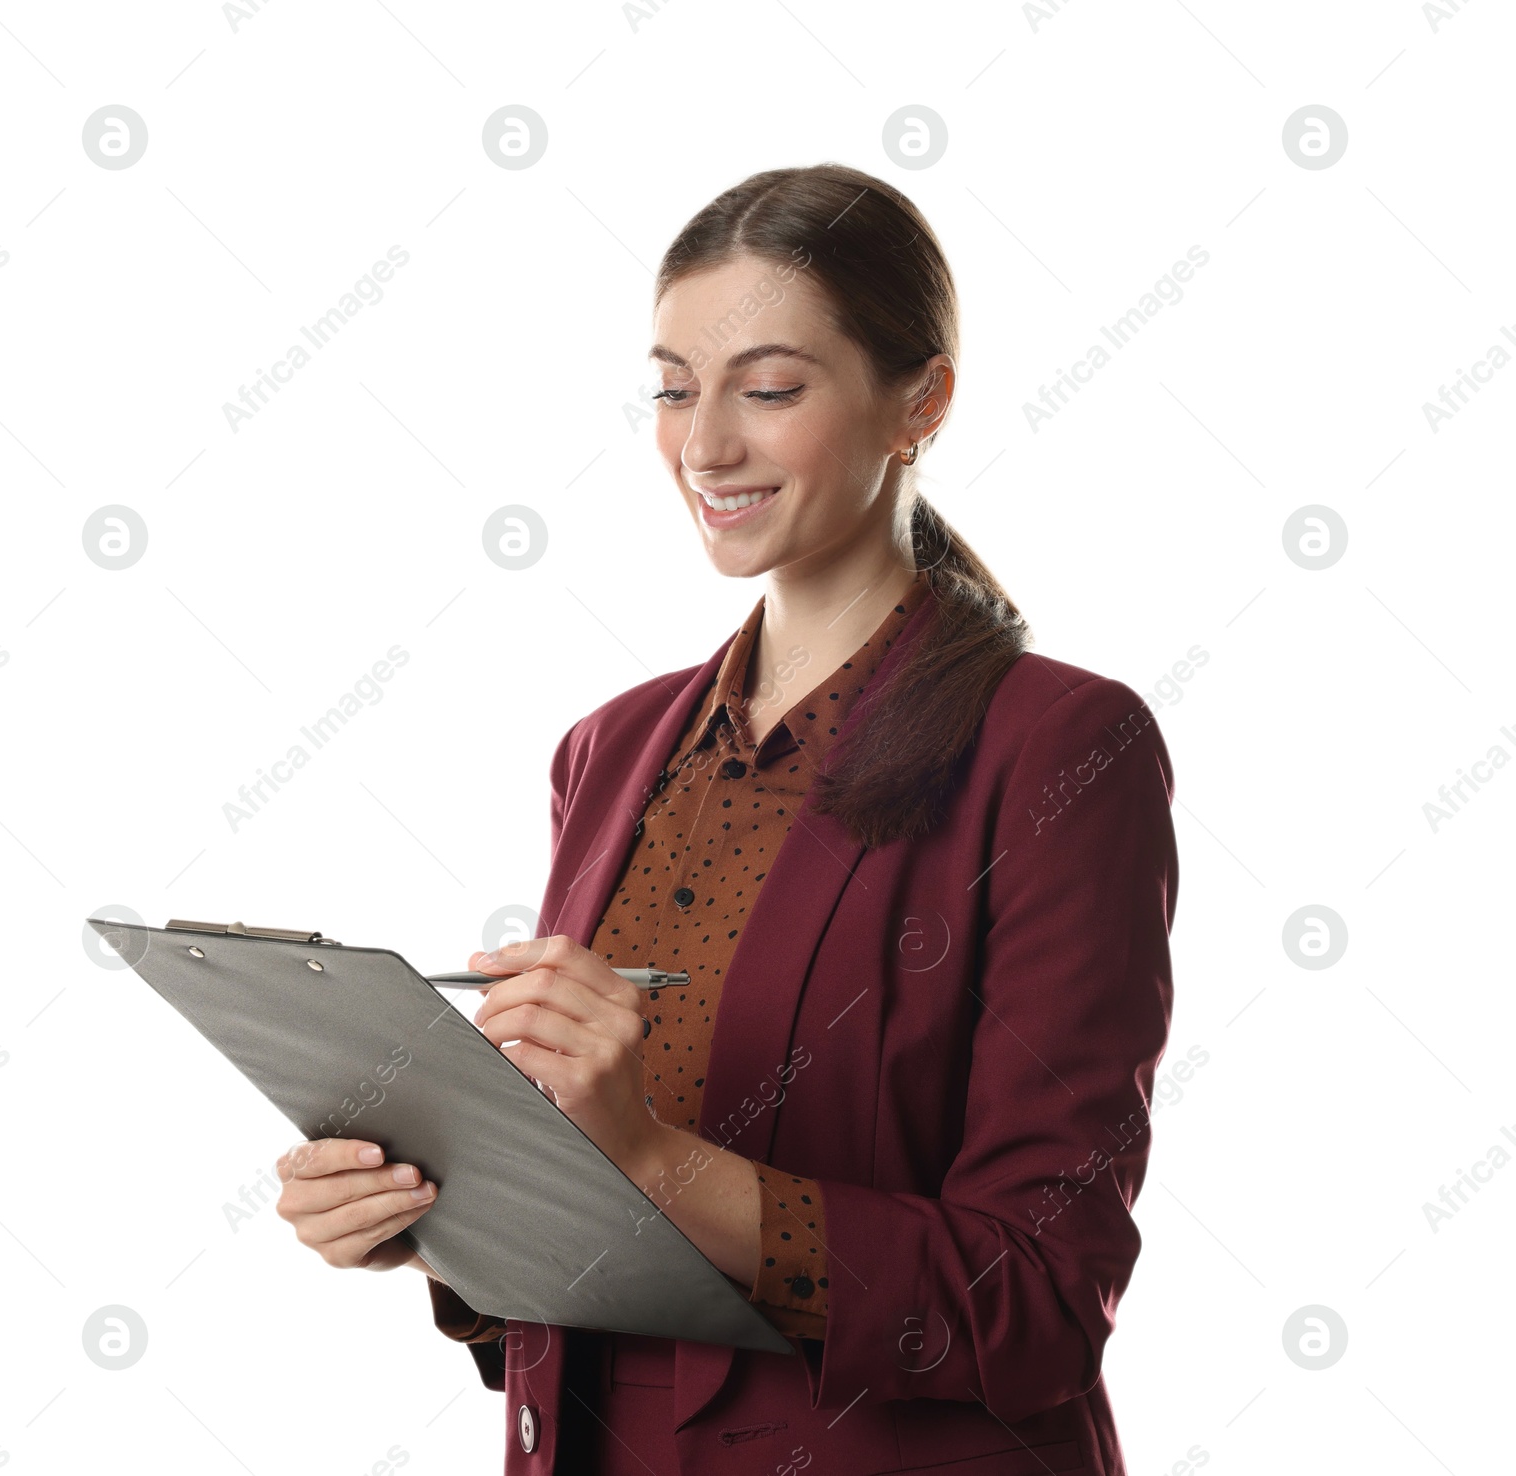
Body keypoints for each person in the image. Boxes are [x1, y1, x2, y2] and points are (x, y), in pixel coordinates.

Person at [274, 162, 1179, 1475]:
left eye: (769, 389)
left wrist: (652, 1159)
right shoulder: (612, 747)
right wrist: (437, 1209)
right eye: (674, 388)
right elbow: (599, 1243)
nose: (704, 445)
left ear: (918, 401)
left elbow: (1037, 1305)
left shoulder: (1060, 748)